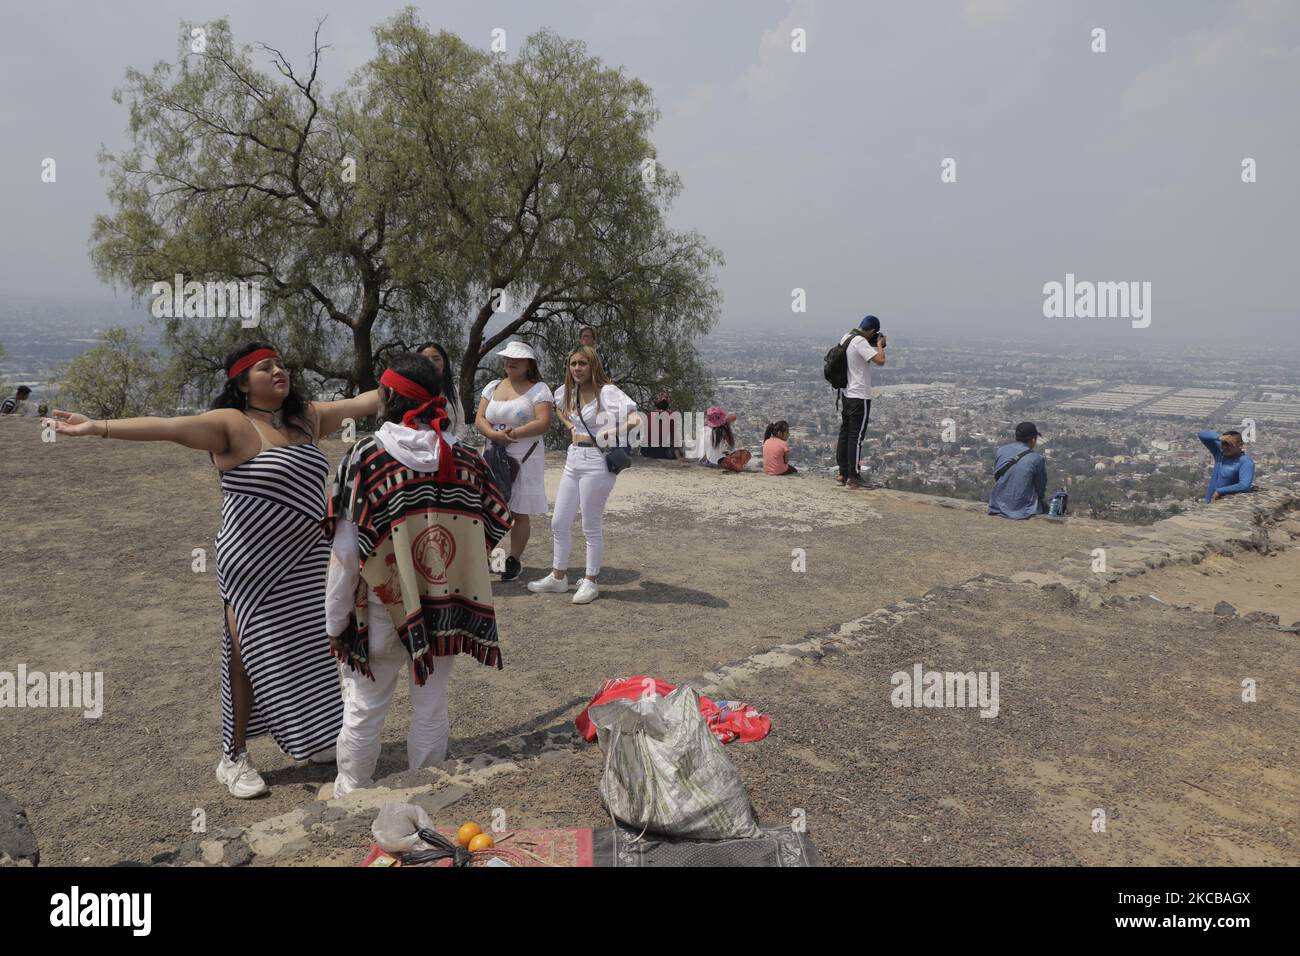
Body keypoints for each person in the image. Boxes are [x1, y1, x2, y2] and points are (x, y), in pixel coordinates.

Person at [45, 342, 381, 798]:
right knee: (245, 654)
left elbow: (369, 401)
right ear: (242, 382)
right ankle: (234, 757)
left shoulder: (307, 417)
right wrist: (97, 427)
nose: (279, 371)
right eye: (266, 368)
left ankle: (313, 737)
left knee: (309, 647)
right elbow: (168, 428)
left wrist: (416, 380)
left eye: (281, 364)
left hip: (307, 561)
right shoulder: (231, 424)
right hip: (253, 566)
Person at [325, 354, 512, 799]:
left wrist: (335, 621)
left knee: (367, 705)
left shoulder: (366, 458)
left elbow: (347, 554)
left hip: (383, 609)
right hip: (445, 609)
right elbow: (484, 531)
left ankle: (351, 795)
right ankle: (424, 791)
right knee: (431, 703)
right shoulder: (466, 458)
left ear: (387, 396)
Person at [527, 346, 641, 605]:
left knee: (591, 524)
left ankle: (591, 580)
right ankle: (558, 576)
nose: (576, 368)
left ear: (593, 366)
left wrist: (613, 431)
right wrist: (569, 425)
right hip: (573, 457)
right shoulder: (569, 391)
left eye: (582, 364)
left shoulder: (607, 392)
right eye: (573, 364)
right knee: (559, 521)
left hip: (597, 461)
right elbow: (558, 408)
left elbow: (636, 419)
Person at [475, 341, 554, 581]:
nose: (511, 362)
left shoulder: (539, 389)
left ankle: (514, 559)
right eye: (508, 358)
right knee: (486, 507)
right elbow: (479, 418)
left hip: (525, 457)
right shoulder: (492, 386)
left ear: (529, 363)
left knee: (519, 511)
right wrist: (493, 435)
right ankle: (485, 556)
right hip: (492, 454)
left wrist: (513, 434)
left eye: (517, 359)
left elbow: (543, 422)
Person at [835, 315, 886, 489]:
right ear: (872, 331)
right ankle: (854, 477)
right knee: (856, 437)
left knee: (845, 433)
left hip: (846, 393)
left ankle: (842, 473)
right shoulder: (860, 342)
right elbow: (881, 361)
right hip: (859, 395)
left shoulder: (847, 337)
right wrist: (879, 345)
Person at [988, 421, 1048, 519]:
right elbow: (1040, 488)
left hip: (998, 506)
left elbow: (997, 476)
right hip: (1024, 510)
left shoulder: (1001, 451)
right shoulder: (1037, 459)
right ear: (1033, 440)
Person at [417, 342, 464, 438]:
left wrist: (453, 445)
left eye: (436, 359)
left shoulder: (452, 390)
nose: (431, 363)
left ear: (444, 362)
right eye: (425, 359)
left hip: (450, 447)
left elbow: (460, 424)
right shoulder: (410, 390)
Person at [1199, 429, 1255, 503]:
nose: (1225, 447)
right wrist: (1219, 437)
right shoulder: (1220, 454)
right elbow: (1201, 435)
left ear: (1240, 445)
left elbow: (1244, 485)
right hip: (1210, 501)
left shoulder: (1245, 462)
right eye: (1223, 443)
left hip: (1226, 502)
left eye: (1229, 444)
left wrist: (1220, 491)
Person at [639, 390, 686, 462]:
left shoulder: (649, 415)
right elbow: (674, 438)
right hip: (660, 451)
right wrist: (679, 456)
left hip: (646, 450)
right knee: (677, 452)